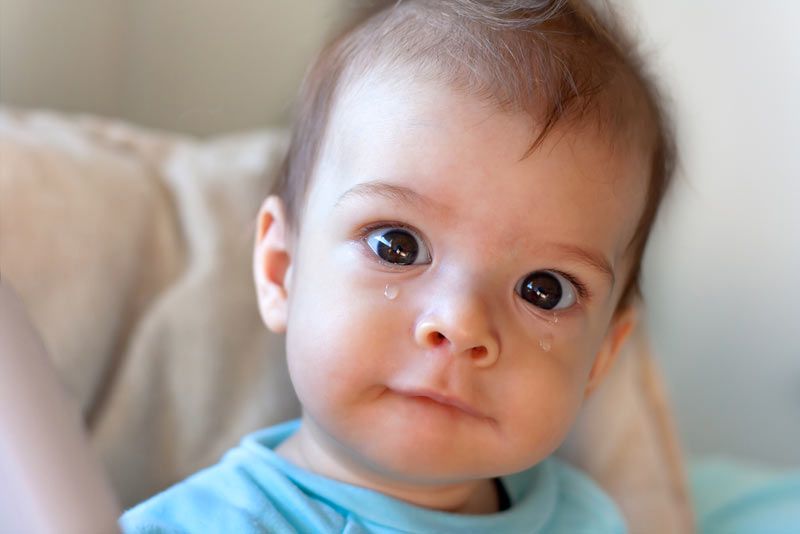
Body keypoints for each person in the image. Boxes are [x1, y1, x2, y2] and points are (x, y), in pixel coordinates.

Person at [120, 0, 675, 531]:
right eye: (396, 246)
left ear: (600, 359)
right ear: (280, 269)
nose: (461, 325)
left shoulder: (586, 520)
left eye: (543, 290)